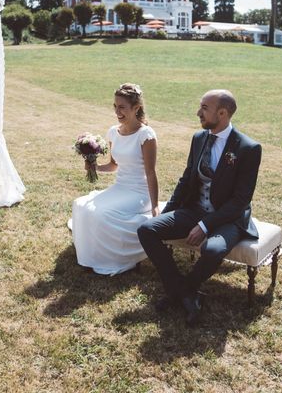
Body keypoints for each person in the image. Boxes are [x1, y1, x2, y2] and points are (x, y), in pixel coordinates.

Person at [138, 89, 261, 326]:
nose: (198, 113)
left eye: (204, 108)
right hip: (194, 209)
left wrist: (206, 225)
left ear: (222, 113)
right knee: (147, 230)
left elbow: (240, 200)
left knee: (214, 250)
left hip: (228, 218)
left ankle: (181, 290)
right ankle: (182, 292)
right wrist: (166, 215)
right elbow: (187, 180)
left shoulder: (248, 148)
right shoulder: (199, 138)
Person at [69, 83, 159, 275]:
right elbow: (114, 165)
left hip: (139, 192)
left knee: (102, 213)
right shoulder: (113, 132)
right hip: (120, 187)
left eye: (122, 107)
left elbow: (151, 173)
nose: (117, 111)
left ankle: (111, 257)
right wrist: (95, 167)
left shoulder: (146, 135)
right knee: (81, 204)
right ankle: (90, 253)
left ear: (136, 108)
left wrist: (154, 205)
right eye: (115, 106)